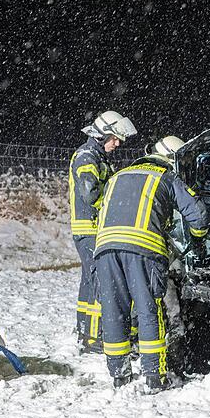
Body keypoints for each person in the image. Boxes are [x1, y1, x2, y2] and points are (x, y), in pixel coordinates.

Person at [94, 136, 209, 390]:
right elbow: (198, 215)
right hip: (143, 250)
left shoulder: (118, 175)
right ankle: (154, 376)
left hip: (105, 249)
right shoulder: (165, 177)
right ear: (172, 160)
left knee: (114, 310)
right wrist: (198, 241)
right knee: (148, 310)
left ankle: (119, 374)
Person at [69, 111, 137, 353]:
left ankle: (85, 332)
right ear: (102, 136)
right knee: (102, 282)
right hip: (91, 229)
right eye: (114, 139)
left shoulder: (96, 156)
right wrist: (114, 203)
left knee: (89, 282)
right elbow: (90, 193)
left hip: (88, 230)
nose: (117, 144)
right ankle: (98, 337)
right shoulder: (88, 157)